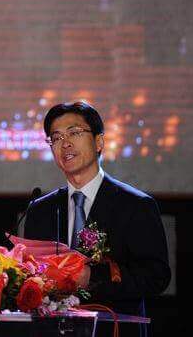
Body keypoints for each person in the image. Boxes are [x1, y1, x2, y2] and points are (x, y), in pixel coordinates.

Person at [17, 102, 170, 336]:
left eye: (74, 133)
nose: (65, 143)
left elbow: (156, 277)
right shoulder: (41, 210)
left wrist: (92, 277)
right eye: (56, 138)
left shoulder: (135, 205)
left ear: (99, 142)